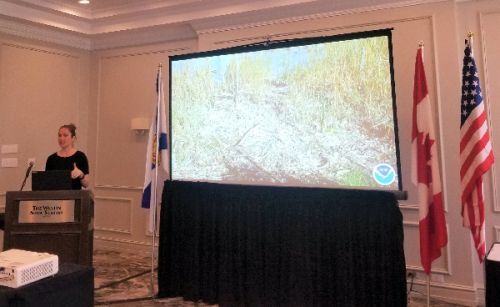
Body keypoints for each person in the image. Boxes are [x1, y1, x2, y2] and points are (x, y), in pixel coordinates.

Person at [45, 123, 89, 189]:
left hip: (74, 197)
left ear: (73, 138)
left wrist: (81, 175)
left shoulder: (80, 156)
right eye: (59, 135)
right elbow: (47, 182)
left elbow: (86, 184)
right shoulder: (51, 159)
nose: (61, 138)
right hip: (56, 198)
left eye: (65, 135)